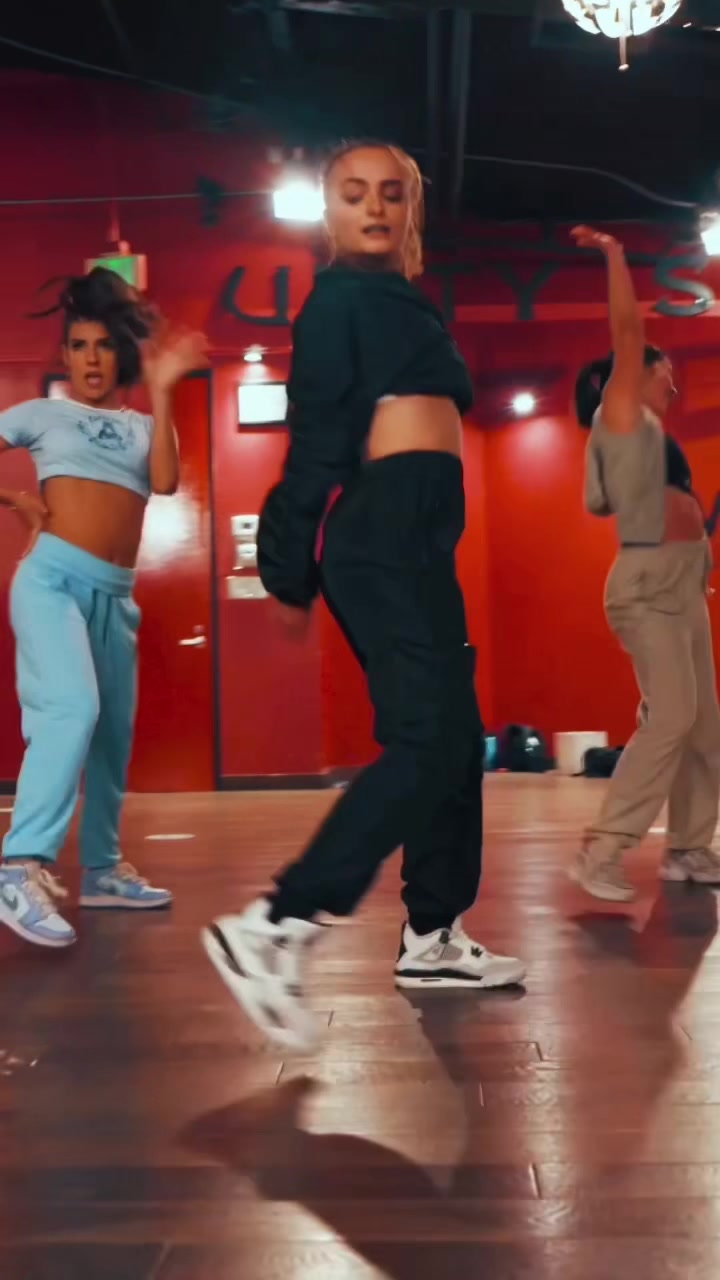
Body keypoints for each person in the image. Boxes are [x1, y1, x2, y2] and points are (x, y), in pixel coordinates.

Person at [203, 140, 526, 1052]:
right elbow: (316, 441)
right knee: (428, 740)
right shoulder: (336, 302)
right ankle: (274, 923)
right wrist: (286, 568)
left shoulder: (406, 301)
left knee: (455, 742)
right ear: (329, 213)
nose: (375, 208)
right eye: (354, 194)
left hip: (420, 540)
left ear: (411, 210)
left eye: (392, 193)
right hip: (380, 538)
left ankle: (433, 936)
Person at [0, 267, 207, 947]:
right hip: (51, 584)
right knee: (71, 709)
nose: (92, 359)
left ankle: (102, 870)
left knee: (112, 736)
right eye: (79, 346)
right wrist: (16, 499)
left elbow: (166, 481)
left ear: (120, 355)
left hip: (115, 598)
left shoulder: (143, 426)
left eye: (104, 346)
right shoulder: (40, 415)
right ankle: (18, 866)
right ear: (65, 355)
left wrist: (166, 389)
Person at [569, 225, 720, 902]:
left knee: (705, 724)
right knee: (672, 716)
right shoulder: (621, 414)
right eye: (666, 371)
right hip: (649, 588)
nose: (674, 383)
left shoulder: (649, 434)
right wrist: (614, 256)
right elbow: (629, 335)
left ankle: (689, 848)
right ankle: (604, 848)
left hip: (685, 584)